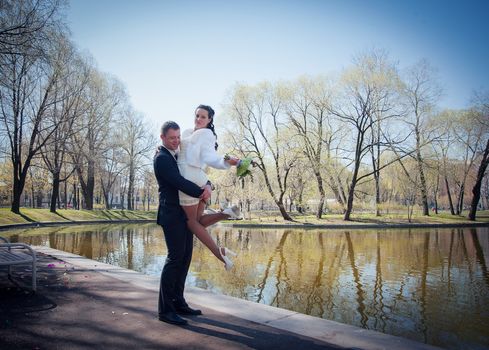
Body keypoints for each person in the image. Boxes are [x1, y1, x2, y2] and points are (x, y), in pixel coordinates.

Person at [154, 121, 222, 326]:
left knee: (185, 259)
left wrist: (208, 184)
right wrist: (202, 192)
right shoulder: (162, 158)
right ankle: (165, 310)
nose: (176, 141)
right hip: (171, 215)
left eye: (177, 137)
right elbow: (179, 182)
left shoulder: (177, 154)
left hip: (184, 215)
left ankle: (178, 302)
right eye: (172, 138)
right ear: (163, 138)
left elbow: (196, 172)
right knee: (174, 259)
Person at [178, 105, 241, 270]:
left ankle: (219, 253)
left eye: (203, 117)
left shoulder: (206, 135)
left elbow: (211, 158)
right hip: (199, 178)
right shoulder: (187, 133)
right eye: (197, 115)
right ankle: (225, 214)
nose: (198, 119)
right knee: (197, 221)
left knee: (190, 222)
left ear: (210, 120)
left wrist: (226, 161)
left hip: (188, 178)